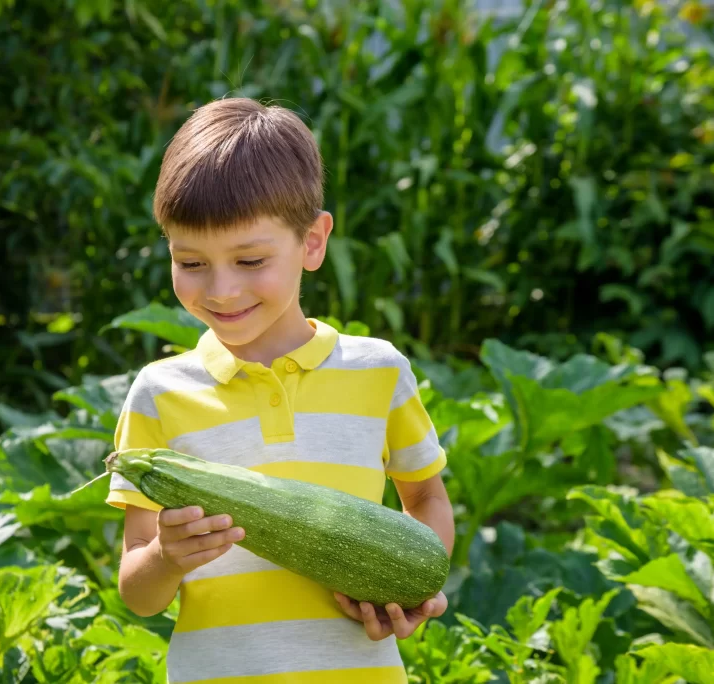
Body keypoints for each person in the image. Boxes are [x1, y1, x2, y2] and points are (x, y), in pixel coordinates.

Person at [105, 96, 454, 684]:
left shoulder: (378, 372)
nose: (221, 289)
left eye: (249, 259)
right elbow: (138, 594)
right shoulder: (159, 394)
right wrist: (165, 558)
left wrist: (407, 591)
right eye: (190, 263)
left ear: (313, 243)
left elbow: (425, 501)